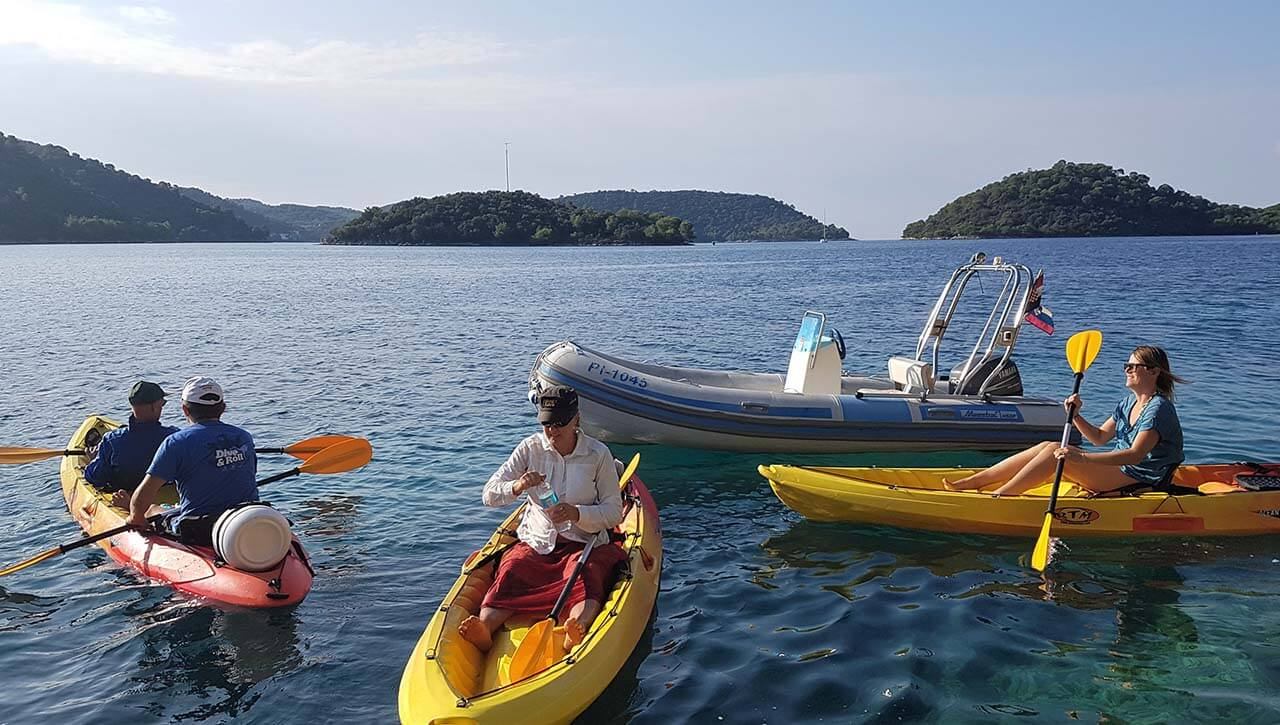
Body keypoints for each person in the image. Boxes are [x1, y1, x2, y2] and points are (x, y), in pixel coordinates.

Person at [459, 386, 627, 653]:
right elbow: (489, 494)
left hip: (581, 542)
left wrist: (576, 513)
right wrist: (516, 486)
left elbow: (613, 512)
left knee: (583, 575)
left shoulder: (598, 454)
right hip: (538, 541)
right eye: (547, 423)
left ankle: (577, 625)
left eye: (560, 422)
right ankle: (485, 628)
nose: (553, 430)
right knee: (512, 569)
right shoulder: (530, 448)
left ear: (577, 420)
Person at [946, 345, 1186, 496]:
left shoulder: (1159, 409)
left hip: (1140, 477)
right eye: (1127, 365)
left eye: (1134, 366)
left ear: (1154, 372)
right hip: (1120, 470)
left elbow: (1134, 455)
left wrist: (1080, 456)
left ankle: (1002, 496)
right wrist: (1076, 415)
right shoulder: (1128, 403)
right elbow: (1100, 438)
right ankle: (971, 482)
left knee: (1055, 454)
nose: (1127, 370)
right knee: (1048, 446)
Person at [126, 376, 259, 546]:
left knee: (152, 509)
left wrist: (135, 518)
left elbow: (143, 496)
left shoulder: (175, 443)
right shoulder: (244, 436)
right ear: (223, 408)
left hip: (201, 529)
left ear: (185, 410)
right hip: (249, 519)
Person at [85, 381, 179, 507]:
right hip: (170, 500)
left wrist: (93, 459)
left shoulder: (112, 441)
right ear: (154, 406)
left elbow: (95, 478)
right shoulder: (174, 437)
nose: (162, 407)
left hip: (126, 497)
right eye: (162, 404)